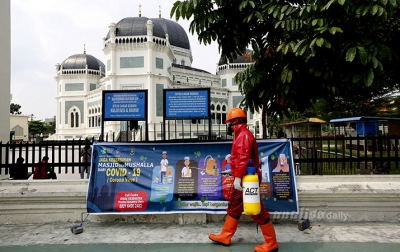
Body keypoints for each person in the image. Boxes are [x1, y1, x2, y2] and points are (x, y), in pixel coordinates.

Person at [209, 107, 278, 252]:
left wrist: (238, 177)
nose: (229, 127)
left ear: (236, 122)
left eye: (230, 123)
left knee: (257, 210)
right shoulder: (241, 134)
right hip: (244, 176)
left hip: (246, 178)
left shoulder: (243, 136)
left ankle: (271, 242)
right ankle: (225, 235)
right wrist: (233, 170)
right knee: (235, 206)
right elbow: (240, 159)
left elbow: (243, 158)